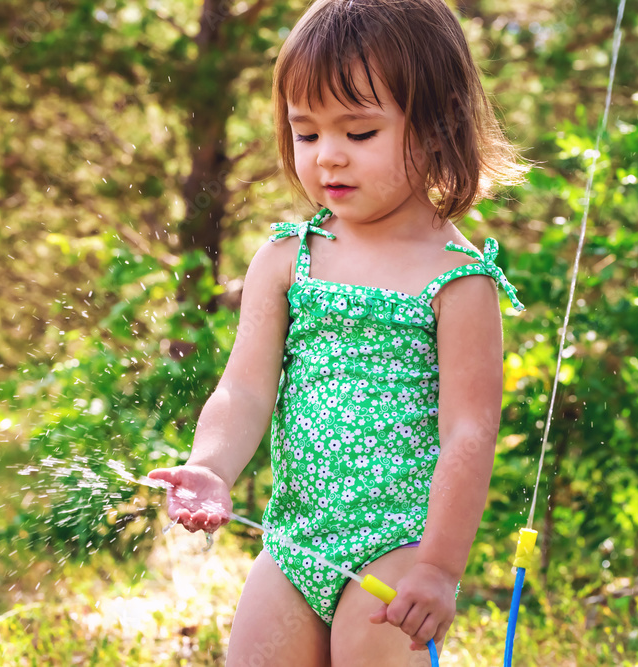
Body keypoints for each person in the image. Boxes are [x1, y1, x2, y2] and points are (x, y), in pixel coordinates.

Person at [147, 0, 529, 664]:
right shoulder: (286, 259)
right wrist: (211, 465)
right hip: (295, 543)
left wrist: (438, 566)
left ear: (437, 127)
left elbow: (469, 432)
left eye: (358, 134)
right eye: (306, 132)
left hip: (399, 547)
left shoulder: (459, 280)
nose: (328, 158)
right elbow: (244, 388)